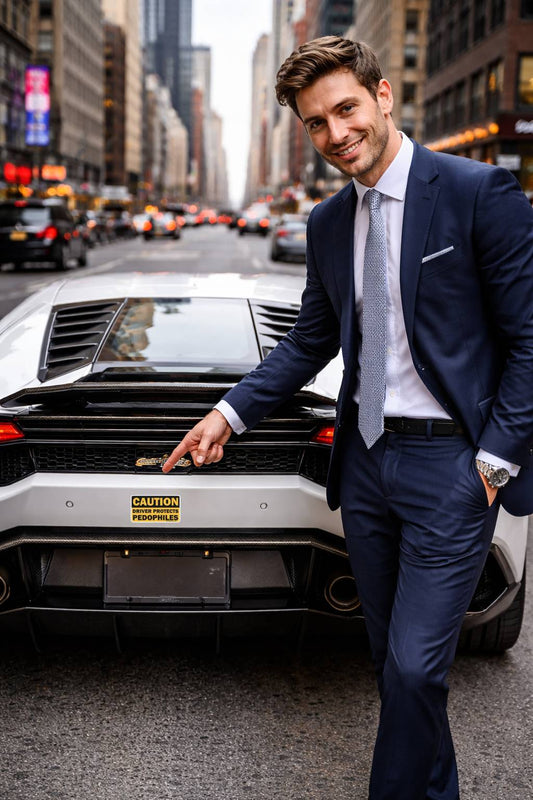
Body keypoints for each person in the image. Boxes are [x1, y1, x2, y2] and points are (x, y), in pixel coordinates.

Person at [163, 37, 533, 800]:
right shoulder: (330, 222)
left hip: (450, 470)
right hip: (363, 469)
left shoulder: (475, 192)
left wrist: (492, 462)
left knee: (411, 668)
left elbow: (530, 338)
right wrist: (228, 415)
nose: (335, 134)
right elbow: (309, 339)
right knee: (394, 670)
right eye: (315, 123)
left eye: (345, 109)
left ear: (383, 96)